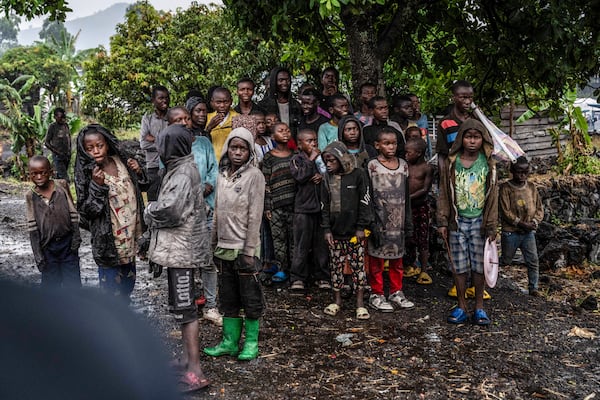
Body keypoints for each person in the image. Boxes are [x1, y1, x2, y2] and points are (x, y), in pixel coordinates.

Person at [143, 123, 210, 392]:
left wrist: (149, 210)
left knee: (187, 310)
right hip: (178, 250)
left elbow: (170, 210)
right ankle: (186, 359)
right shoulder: (181, 167)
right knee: (183, 309)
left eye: (161, 144)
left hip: (182, 252)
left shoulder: (182, 173)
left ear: (169, 148)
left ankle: (195, 370)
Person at [204, 127, 265, 361]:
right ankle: (229, 342)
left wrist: (249, 250)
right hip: (224, 247)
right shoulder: (221, 175)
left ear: (250, 151)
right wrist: (212, 244)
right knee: (228, 298)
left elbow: (255, 215)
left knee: (250, 298)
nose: (237, 152)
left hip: (245, 248)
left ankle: (250, 343)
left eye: (243, 148)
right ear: (227, 148)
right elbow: (218, 212)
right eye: (234, 147)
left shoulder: (255, 176)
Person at [74, 124, 147, 302]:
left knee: (128, 285)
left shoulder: (122, 161)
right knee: (111, 292)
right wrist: (97, 187)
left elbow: (144, 187)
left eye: (100, 145)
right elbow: (86, 213)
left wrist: (138, 171)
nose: (96, 151)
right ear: (84, 151)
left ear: (107, 143)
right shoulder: (88, 173)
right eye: (89, 148)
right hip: (109, 243)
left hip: (130, 240)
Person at [437, 119, 498, 325]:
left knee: (480, 267)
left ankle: (479, 307)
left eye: (476, 137)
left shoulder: (488, 163)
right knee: (459, 266)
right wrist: (443, 221)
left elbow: (493, 197)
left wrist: (491, 225)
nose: (472, 141)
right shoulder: (451, 163)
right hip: (457, 221)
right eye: (468, 137)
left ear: (483, 140)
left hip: (480, 222)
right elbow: (444, 193)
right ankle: (462, 306)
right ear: (461, 139)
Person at [321, 141, 372, 320]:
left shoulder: (358, 175)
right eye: (325, 161)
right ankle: (337, 301)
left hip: (354, 232)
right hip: (335, 233)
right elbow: (324, 206)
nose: (328, 164)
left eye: (331, 161)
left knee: (358, 267)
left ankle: (359, 304)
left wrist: (361, 227)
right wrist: (326, 229)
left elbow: (365, 201)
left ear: (341, 159)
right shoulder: (326, 178)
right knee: (336, 267)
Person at [366, 129, 414, 312]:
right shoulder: (372, 166)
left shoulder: (403, 165)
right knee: (376, 260)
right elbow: (368, 195)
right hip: (379, 220)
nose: (391, 147)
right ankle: (376, 293)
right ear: (377, 145)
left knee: (397, 259)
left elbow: (407, 196)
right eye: (386, 143)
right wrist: (370, 221)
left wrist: (408, 222)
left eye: (393, 143)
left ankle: (396, 291)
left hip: (398, 221)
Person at [26, 155, 81, 288]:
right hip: (47, 247)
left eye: (42, 173)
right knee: (51, 286)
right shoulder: (30, 196)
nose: (39, 177)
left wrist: (76, 238)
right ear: (30, 175)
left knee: (72, 283)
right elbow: (32, 227)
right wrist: (38, 255)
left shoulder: (61, 186)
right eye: (34, 174)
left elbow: (72, 211)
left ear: (51, 172)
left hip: (67, 244)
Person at [288, 129, 330, 291]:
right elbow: (299, 176)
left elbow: (330, 174)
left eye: (315, 141)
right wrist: (311, 160)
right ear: (300, 144)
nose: (313, 144)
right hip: (303, 209)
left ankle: (322, 276)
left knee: (321, 245)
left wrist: (321, 176)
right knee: (301, 245)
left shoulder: (322, 160)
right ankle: (297, 278)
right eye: (309, 141)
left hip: (320, 209)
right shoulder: (296, 159)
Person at [499, 156, 544, 296]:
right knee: (506, 259)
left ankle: (533, 287)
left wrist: (534, 222)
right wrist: (520, 223)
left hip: (528, 232)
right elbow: (505, 211)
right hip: (511, 231)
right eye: (519, 172)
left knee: (533, 260)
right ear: (512, 171)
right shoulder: (505, 188)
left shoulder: (531, 187)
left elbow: (539, 208)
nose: (522, 175)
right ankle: (487, 273)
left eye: (525, 172)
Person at [261, 122, 295, 284]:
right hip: (275, 205)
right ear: (273, 137)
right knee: (278, 240)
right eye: (281, 131)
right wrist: (267, 206)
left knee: (294, 239)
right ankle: (281, 269)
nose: (285, 133)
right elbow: (265, 183)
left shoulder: (295, 155)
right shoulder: (268, 157)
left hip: (295, 204)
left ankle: (295, 271)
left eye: (287, 130)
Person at [403, 138, 434, 285]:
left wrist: (408, 197)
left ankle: (424, 270)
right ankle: (410, 265)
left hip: (420, 206)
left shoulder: (427, 168)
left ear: (419, 153)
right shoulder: (404, 166)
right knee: (408, 237)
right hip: (407, 208)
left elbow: (425, 189)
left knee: (423, 238)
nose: (406, 155)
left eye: (409, 152)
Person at [436, 80, 474, 170]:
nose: (468, 101)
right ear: (453, 97)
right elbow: (442, 154)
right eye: (463, 97)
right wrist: (443, 179)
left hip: (476, 172)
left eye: (471, 97)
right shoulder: (445, 123)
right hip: (454, 171)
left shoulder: (476, 121)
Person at [140, 85, 170, 201]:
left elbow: (176, 142)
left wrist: (155, 139)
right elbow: (143, 144)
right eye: (161, 98)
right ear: (153, 100)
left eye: (166, 98)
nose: (164, 101)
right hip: (153, 167)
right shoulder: (147, 119)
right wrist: (165, 142)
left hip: (171, 165)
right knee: (154, 202)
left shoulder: (173, 117)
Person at [258, 67, 302, 136]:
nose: (285, 83)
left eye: (287, 80)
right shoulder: (263, 105)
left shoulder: (296, 105)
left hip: (292, 144)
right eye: (281, 80)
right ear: (274, 82)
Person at [206, 86, 239, 160]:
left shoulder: (237, 118)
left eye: (226, 102)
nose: (222, 106)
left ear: (231, 101)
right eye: (218, 102)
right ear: (212, 102)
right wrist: (209, 127)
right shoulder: (207, 118)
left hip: (231, 163)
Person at [44, 108, 72, 181]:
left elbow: (69, 138)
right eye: (61, 117)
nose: (63, 119)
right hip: (58, 156)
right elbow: (46, 142)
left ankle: (59, 190)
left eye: (64, 117)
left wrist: (69, 151)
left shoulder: (66, 125)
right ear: (55, 117)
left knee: (60, 177)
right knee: (65, 178)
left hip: (67, 156)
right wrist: (57, 152)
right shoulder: (52, 127)